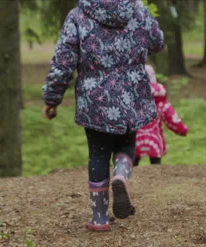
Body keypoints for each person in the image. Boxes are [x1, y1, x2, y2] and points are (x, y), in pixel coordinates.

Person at [42, 0, 164, 231]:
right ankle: (120, 175)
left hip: (94, 98)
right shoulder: (138, 10)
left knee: (98, 154)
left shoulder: (78, 16)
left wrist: (52, 98)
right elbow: (157, 42)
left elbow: (63, 61)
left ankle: (99, 218)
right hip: (132, 93)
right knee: (126, 145)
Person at [134, 65, 189, 166]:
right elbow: (171, 116)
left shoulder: (132, 98)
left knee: (133, 164)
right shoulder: (160, 101)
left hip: (135, 139)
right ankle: (156, 175)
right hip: (155, 140)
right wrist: (182, 129)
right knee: (156, 166)